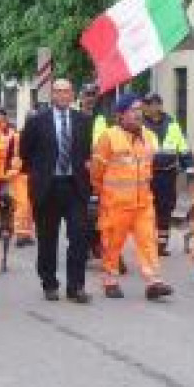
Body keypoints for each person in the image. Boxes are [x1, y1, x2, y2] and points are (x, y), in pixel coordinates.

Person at [91, 93, 174, 301]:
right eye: (133, 110)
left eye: (140, 109)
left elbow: (153, 162)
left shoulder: (149, 136)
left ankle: (153, 281)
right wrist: (105, 195)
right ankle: (110, 280)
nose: (138, 114)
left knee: (148, 242)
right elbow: (96, 172)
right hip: (116, 204)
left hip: (143, 203)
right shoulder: (108, 137)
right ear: (121, 115)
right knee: (113, 245)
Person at [19, 78, 93, 303]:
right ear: (52, 95)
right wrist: (41, 174)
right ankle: (49, 282)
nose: (62, 95)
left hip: (74, 186)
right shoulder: (37, 121)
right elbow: (25, 152)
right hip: (48, 187)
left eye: (66, 91)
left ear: (72, 95)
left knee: (79, 237)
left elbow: (85, 152)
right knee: (48, 238)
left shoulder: (83, 120)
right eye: (58, 91)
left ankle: (76, 286)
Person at [142, 92, 194, 256]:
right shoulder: (140, 125)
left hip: (168, 174)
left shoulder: (172, 124)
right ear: (146, 106)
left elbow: (183, 146)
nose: (154, 106)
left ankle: (162, 245)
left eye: (157, 103)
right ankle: (149, 243)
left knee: (166, 208)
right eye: (150, 103)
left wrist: (190, 167)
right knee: (147, 209)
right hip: (147, 175)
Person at [78, 82, 108, 259]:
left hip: (100, 171)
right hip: (80, 170)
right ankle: (84, 245)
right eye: (87, 95)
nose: (90, 98)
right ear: (81, 97)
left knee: (99, 210)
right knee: (81, 211)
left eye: (93, 95)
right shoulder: (73, 116)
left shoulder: (102, 118)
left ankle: (96, 243)